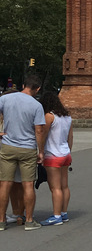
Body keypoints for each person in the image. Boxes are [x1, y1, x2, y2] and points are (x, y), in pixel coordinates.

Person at [0, 71, 47, 231]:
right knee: (28, 185)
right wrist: (41, 151)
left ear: (23, 85)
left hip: (8, 146)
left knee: (5, 184)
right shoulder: (36, 105)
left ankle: (1, 221)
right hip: (27, 148)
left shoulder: (5, 99)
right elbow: (39, 130)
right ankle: (29, 220)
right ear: (37, 88)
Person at [40, 91, 73, 226]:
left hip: (52, 154)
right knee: (64, 186)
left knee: (55, 188)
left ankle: (56, 216)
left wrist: (40, 151)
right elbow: (70, 137)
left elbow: (42, 135)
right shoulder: (67, 117)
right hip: (65, 153)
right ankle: (64, 213)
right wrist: (68, 150)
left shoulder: (49, 116)